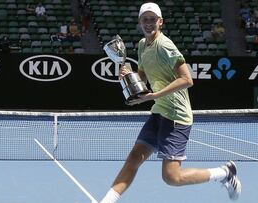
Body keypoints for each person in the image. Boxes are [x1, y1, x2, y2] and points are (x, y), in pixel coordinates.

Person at [100, 2, 241, 203]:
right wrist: (129, 75)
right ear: (140, 22)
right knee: (134, 158)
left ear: (160, 22)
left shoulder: (165, 46)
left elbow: (187, 79)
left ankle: (224, 173)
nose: (149, 23)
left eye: (152, 19)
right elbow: (143, 77)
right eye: (145, 19)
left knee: (172, 177)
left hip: (176, 116)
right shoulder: (142, 45)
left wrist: (155, 95)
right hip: (159, 112)